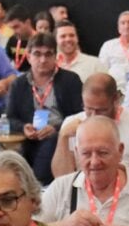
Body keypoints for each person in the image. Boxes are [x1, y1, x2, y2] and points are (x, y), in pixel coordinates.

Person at [49, 73, 129, 185]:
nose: (94, 116)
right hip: (86, 196)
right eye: (89, 109)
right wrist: (63, 136)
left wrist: (125, 185)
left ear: (115, 100)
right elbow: (61, 178)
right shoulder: (72, 123)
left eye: (101, 110)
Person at [5, 34, 83, 183]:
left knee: (52, 140)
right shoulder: (19, 84)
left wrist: (56, 127)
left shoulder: (70, 80)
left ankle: (38, 184)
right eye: (37, 54)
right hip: (29, 138)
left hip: (60, 137)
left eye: (48, 54)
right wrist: (24, 127)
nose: (43, 60)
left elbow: (80, 115)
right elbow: (9, 118)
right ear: (28, 57)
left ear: (56, 56)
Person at [97, 11, 129, 80]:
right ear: (119, 28)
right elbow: (101, 71)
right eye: (123, 23)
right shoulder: (108, 45)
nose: (126, 26)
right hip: (114, 88)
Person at [2, 7, 34, 71]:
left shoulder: (41, 41)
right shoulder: (12, 40)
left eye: (16, 27)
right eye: (11, 28)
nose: (14, 31)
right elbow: (5, 60)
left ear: (28, 22)